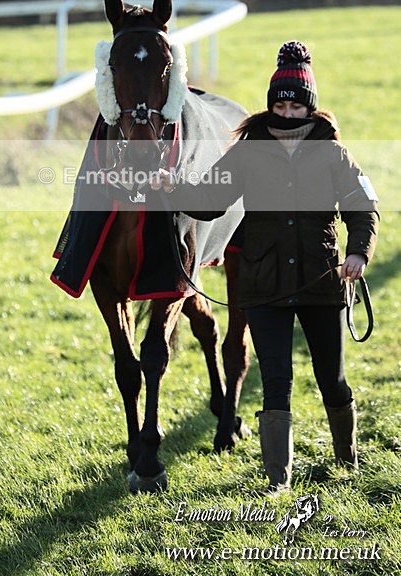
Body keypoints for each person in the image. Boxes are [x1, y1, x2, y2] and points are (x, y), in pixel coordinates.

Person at [151, 40, 379, 493]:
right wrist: (174, 188)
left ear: (309, 108)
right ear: (271, 102)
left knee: (332, 381)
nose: (288, 111)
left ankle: (346, 459)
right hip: (264, 287)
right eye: (281, 102)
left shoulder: (332, 153)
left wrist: (358, 253)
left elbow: (362, 206)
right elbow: (211, 199)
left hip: (321, 284)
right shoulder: (248, 150)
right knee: (276, 383)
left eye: (297, 105)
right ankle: (278, 479)